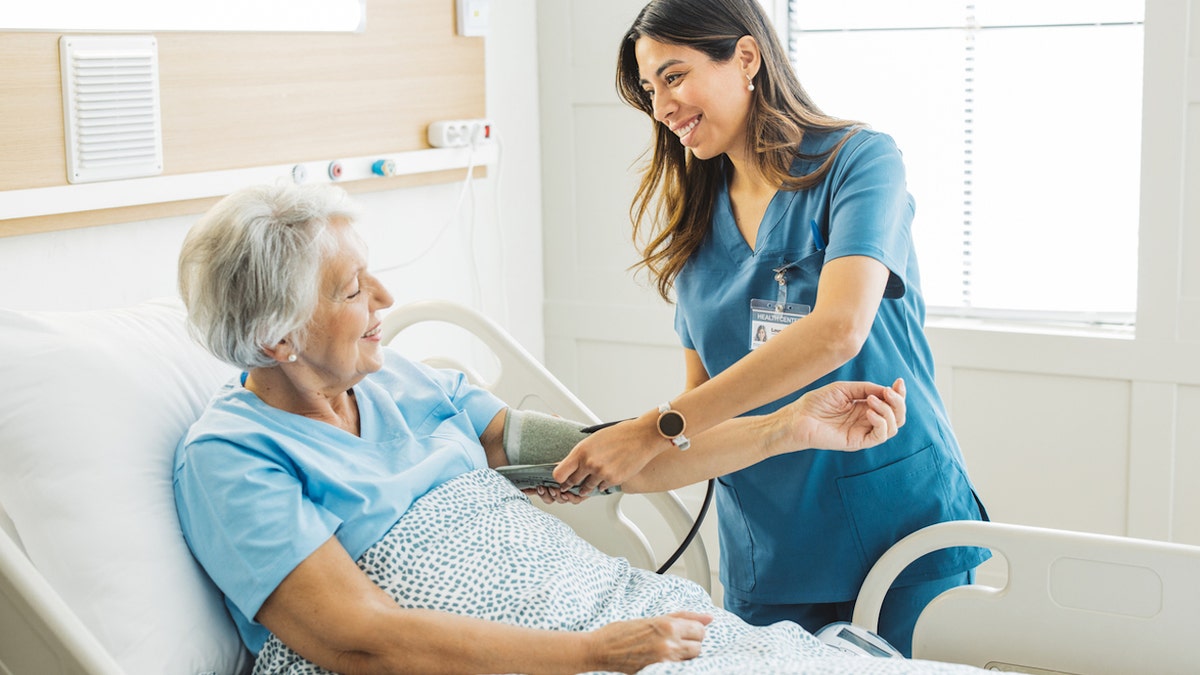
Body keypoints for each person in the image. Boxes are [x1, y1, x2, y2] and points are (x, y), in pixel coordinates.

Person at [172, 182, 991, 675]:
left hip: (611, 621)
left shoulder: (407, 386)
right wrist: (593, 653)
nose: (386, 298)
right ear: (278, 337)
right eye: (353, 289)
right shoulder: (236, 459)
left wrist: (787, 427)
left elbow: (614, 458)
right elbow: (361, 642)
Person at [551, 0, 989, 658]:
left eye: (674, 76)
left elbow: (838, 329)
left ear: (747, 57)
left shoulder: (858, 163)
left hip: (898, 526)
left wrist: (652, 427)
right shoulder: (694, 233)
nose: (661, 104)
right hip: (772, 555)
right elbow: (702, 432)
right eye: (649, 89)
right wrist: (607, 465)